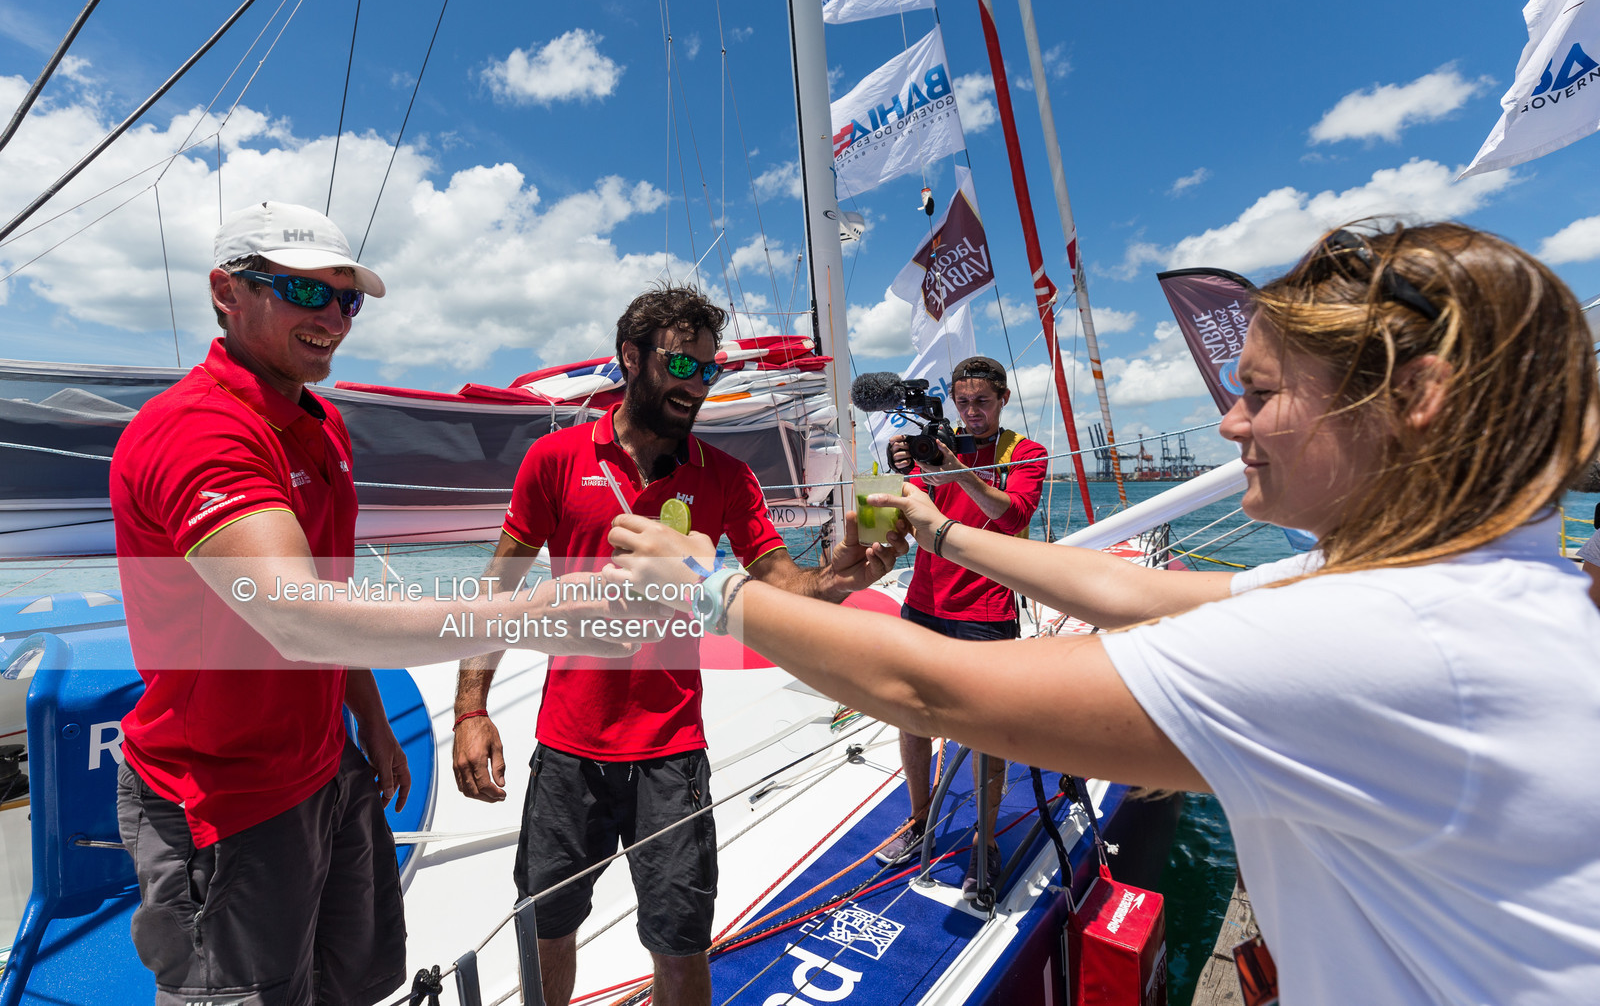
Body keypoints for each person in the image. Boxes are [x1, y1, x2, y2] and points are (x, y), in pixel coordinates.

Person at [606, 221, 1600, 1004]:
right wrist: (936, 527)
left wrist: (705, 586)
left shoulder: (1387, 638)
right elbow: (1132, 591)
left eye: (1256, 391)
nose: (1227, 422)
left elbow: (932, 688)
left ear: (1415, 395)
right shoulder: (1446, 594)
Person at [112, 202, 662, 1006]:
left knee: (350, 985)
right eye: (306, 292)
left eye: (347, 300)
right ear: (226, 293)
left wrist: (364, 715)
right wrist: (538, 613)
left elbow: (329, 595)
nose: (333, 317)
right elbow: (295, 614)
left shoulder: (318, 420)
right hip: (225, 795)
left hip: (322, 763)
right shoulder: (201, 431)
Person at [449, 284, 905, 1006]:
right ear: (630, 358)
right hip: (569, 748)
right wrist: (470, 709)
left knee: (682, 944)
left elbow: (782, 584)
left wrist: (839, 579)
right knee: (546, 928)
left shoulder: (724, 477)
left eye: (710, 370)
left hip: (671, 752)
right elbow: (498, 586)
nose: (699, 384)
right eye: (682, 366)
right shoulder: (555, 458)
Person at [876, 355, 1046, 899]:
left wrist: (953, 468)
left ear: (1002, 400)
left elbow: (1011, 516)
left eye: (983, 403)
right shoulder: (932, 445)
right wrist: (894, 467)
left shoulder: (1026, 453)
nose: (972, 413)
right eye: (963, 402)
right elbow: (889, 518)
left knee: (983, 732)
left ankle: (986, 842)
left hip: (985, 611)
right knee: (912, 717)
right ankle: (919, 819)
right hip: (923, 601)